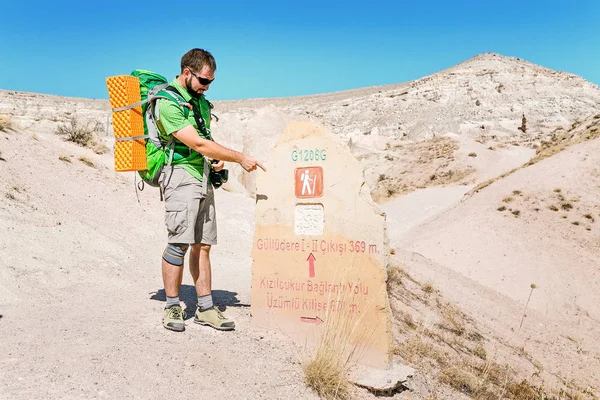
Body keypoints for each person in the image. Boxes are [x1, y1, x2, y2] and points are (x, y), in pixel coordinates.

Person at [156, 48, 265, 332]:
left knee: (203, 245)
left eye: (211, 82)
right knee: (179, 242)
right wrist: (238, 157)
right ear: (187, 72)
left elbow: (207, 140)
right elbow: (198, 143)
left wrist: (216, 160)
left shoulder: (201, 102)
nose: (207, 86)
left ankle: (205, 307)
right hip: (180, 176)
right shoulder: (167, 102)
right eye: (204, 80)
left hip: (202, 176)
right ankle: (172, 307)